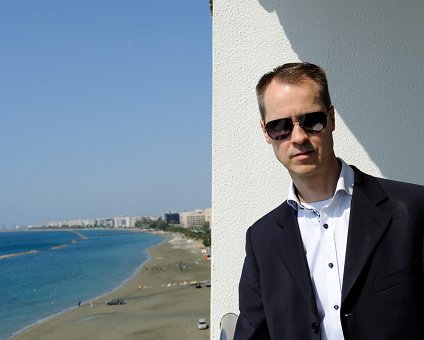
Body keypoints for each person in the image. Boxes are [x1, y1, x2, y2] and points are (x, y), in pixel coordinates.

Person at [234, 62, 424, 339]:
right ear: (266, 133)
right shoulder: (261, 239)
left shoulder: (412, 209)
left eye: (312, 121)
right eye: (281, 126)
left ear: (331, 119)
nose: (298, 137)